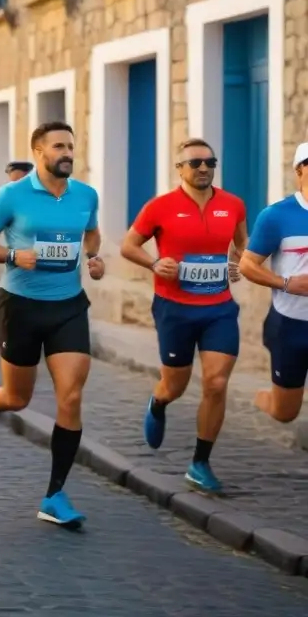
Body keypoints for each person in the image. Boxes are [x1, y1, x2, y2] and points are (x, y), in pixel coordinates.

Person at [0, 121, 103, 528]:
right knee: (18, 397)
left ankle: (55, 494)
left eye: (71, 146)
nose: (67, 153)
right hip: (20, 307)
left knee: (71, 396)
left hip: (68, 305)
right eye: (59, 146)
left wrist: (93, 258)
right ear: (38, 151)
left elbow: (91, 234)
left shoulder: (85, 195)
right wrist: (11, 255)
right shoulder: (12, 195)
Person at [120, 139, 246, 493]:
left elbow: (242, 245)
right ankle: (158, 402)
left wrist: (238, 264)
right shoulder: (160, 207)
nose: (204, 168)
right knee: (175, 384)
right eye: (195, 163)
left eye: (210, 162)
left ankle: (200, 462)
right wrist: (155, 263)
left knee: (216, 384)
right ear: (180, 169)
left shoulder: (233, 205)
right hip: (175, 309)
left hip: (219, 308)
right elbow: (128, 246)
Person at [239, 142, 308, 425]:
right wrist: (287, 283)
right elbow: (247, 265)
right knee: (285, 412)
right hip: (290, 325)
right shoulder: (276, 216)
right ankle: (262, 398)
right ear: (299, 171)